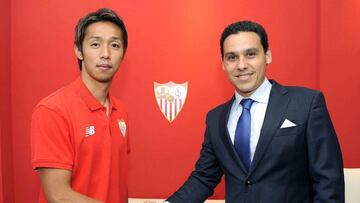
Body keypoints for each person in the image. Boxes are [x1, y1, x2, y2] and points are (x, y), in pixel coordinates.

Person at [165, 21, 344, 203]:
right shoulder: (215, 118)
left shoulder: (306, 103)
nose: (241, 65)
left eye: (250, 54)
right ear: (223, 64)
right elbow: (203, 178)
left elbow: (328, 180)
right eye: (232, 57)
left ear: (267, 56)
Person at [31, 8, 129, 203]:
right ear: (78, 50)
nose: (106, 54)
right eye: (95, 44)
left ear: (123, 53)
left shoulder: (121, 110)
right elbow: (58, 196)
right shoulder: (53, 110)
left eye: (115, 45)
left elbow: (118, 183)